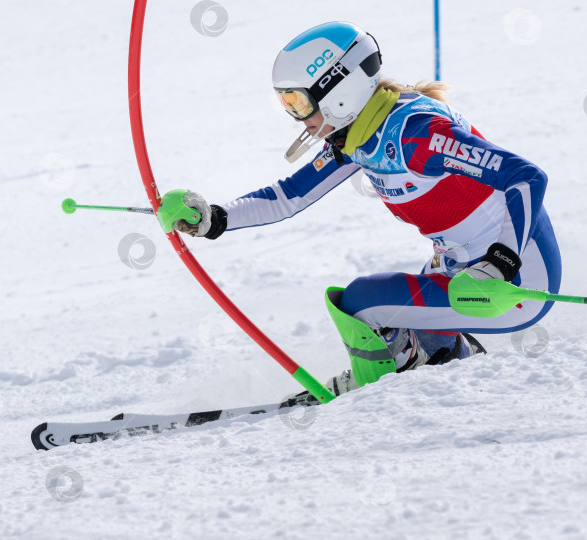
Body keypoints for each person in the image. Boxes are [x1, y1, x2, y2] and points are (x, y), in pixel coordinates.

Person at [169, 21, 561, 396]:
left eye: (300, 102)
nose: (296, 117)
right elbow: (290, 195)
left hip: (512, 284)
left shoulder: (417, 135)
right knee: (417, 328)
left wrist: (500, 264)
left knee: (360, 303)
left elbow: (526, 177)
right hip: (462, 269)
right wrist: (216, 218)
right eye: (286, 103)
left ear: (340, 89)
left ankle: (375, 394)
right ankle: (444, 367)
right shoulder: (359, 133)